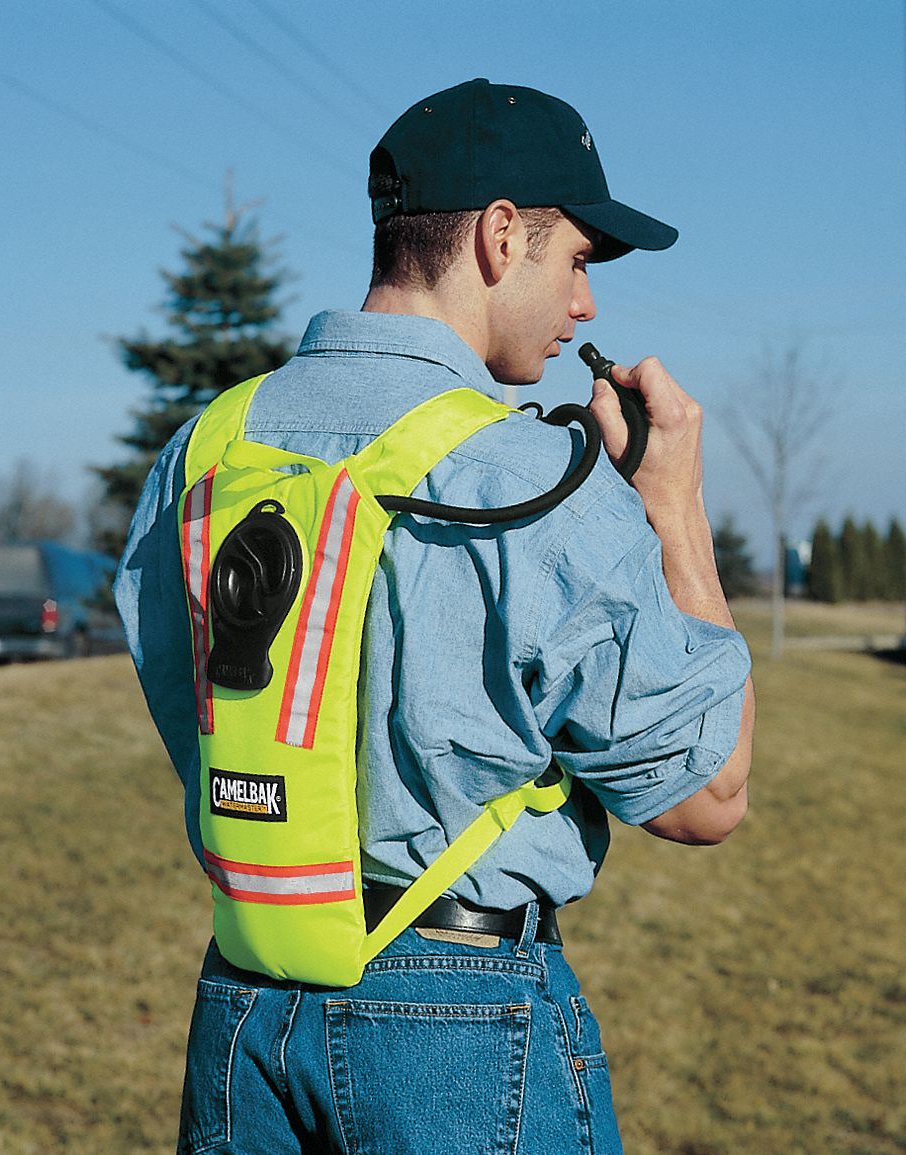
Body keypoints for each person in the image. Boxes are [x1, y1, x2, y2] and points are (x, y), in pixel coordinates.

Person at [116, 77, 755, 1155]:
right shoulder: (531, 477)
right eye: (579, 261)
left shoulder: (207, 446)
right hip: (456, 1027)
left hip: (242, 1005)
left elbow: (189, 705)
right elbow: (707, 797)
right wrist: (674, 504)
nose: (585, 306)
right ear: (502, 236)